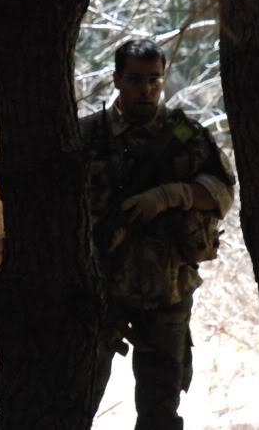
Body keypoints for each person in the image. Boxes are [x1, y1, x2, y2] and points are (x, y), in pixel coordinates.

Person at [80, 39, 235, 430]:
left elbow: (222, 191)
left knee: (160, 411)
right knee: (74, 397)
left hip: (167, 290)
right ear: (116, 79)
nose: (146, 90)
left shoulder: (185, 135)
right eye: (135, 80)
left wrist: (173, 195)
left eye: (154, 80)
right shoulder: (87, 136)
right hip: (98, 291)